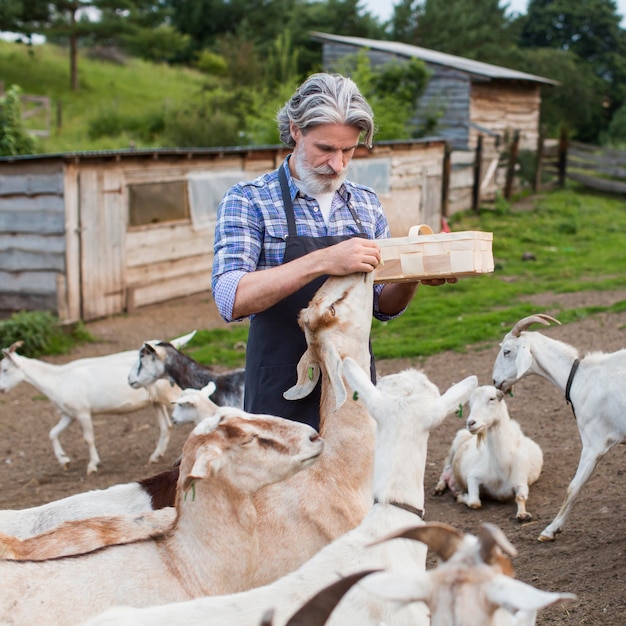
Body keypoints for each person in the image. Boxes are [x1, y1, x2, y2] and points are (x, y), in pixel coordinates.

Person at [211, 72, 452, 429]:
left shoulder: (366, 204)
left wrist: (411, 278)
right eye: (325, 148)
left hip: (353, 388)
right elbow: (229, 298)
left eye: (348, 150)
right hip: (279, 388)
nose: (337, 164)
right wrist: (324, 260)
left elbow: (382, 306)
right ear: (296, 130)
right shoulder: (249, 200)